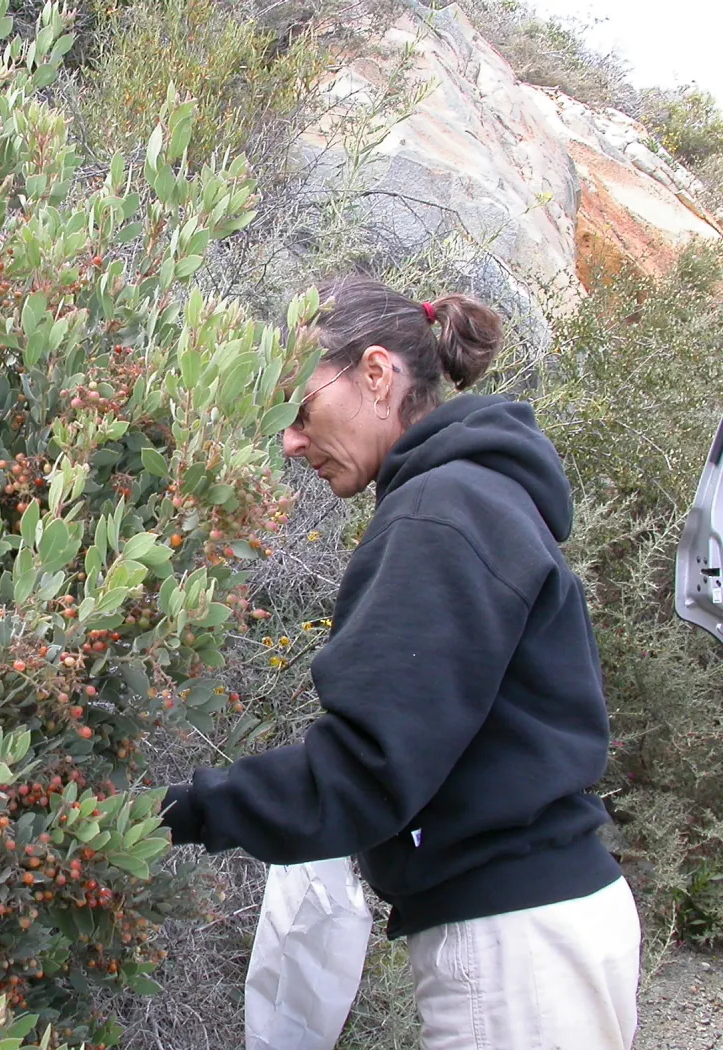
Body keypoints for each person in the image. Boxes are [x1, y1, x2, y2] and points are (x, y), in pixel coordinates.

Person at [159, 276, 641, 1050]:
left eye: (299, 408)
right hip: (543, 920)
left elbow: (367, 771)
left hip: (513, 945)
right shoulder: (473, 496)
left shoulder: (439, 513)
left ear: (377, 375)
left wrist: (180, 812)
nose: (288, 441)